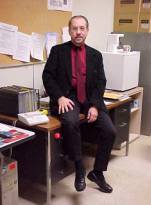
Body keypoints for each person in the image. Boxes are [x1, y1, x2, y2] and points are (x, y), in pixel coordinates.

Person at [42, 15, 116, 193]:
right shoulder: (57, 51)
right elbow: (48, 76)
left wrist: (95, 106)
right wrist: (59, 96)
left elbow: (100, 82)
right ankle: (79, 167)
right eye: (74, 28)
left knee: (109, 131)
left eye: (82, 28)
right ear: (69, 31)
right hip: (68, 97)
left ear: (87, 31)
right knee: (70, 121)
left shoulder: (95, 55)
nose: (78, 32)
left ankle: (97, 172)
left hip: (90, 99)